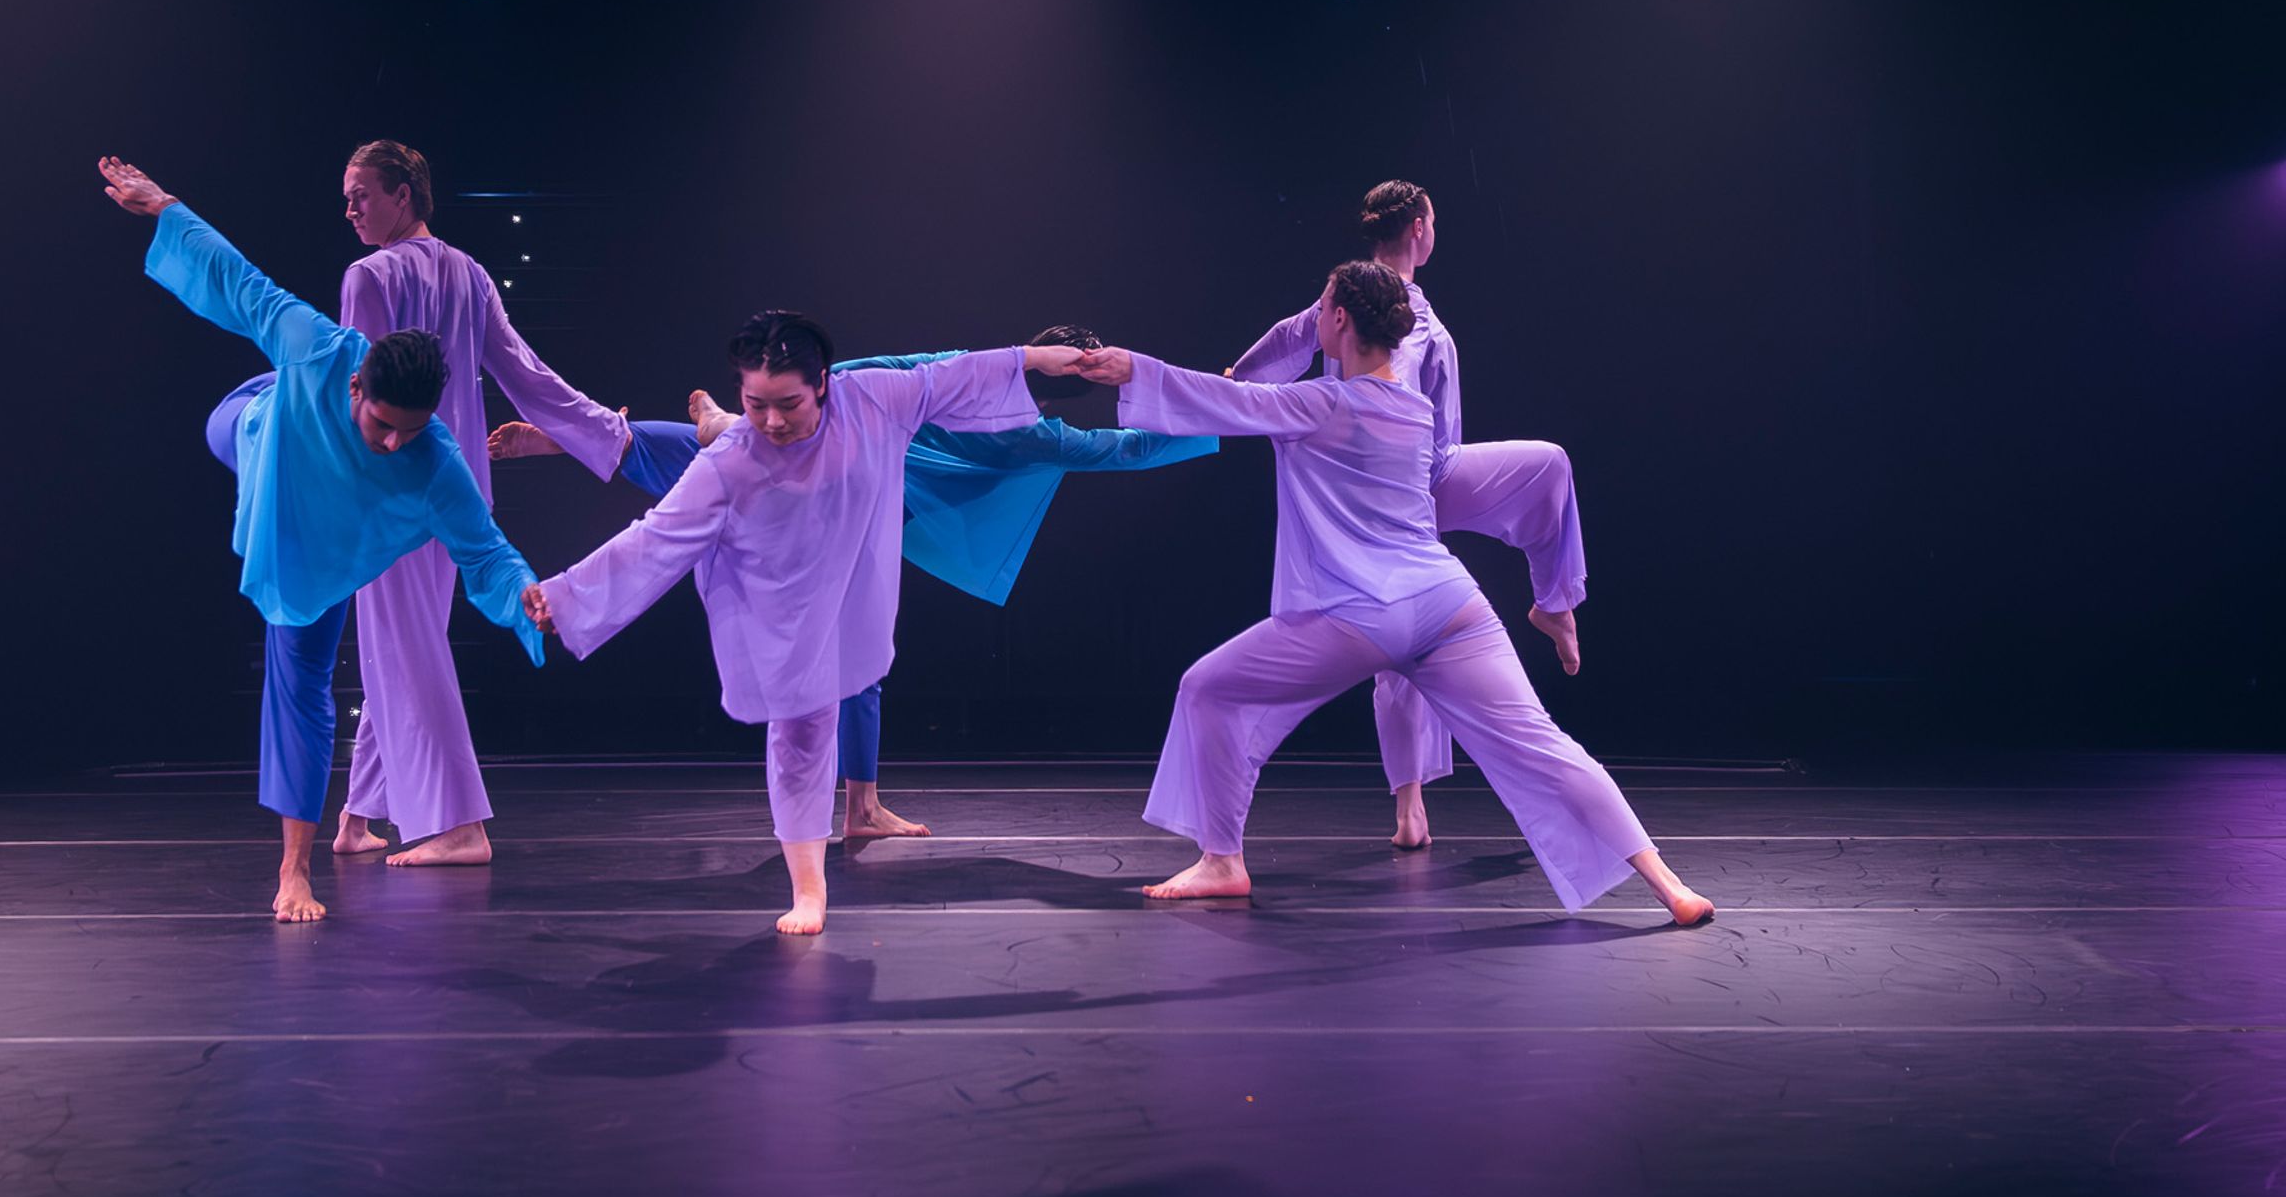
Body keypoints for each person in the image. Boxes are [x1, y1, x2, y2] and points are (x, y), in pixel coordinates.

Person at [1083, 263, 1712, 924]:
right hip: (1449, 607)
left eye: (1321, 308)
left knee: (1207, 688)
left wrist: (1128, 368)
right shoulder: (1416, 411)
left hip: (1359, 616)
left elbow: (1227, 400)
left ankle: (1222, 861)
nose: (1314, 318)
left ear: (1341, 322)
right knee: (1544, 745)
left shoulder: (1323, 402)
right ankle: (1670, 886)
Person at [507, 330, 1213, 840]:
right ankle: (862, 807)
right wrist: (1209, 401)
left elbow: (1111, 441)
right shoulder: (947, 399)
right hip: (846, 484)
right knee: (729, 478)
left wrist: (1214, 402)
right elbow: (1107, 437)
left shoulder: (999, 415)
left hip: (866, 498)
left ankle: (862, 806)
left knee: (838, 633)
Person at [522, 315, 1098, 934]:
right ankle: (808, 891)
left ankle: (851, 823)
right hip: (781, 602)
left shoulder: (873, 397)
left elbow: (949, 375)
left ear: (822, 383)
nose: (772, 422)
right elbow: (656, 539)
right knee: (798, 728)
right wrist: (569, 600)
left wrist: (1033, 361)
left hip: (851, 586)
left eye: (788, 404)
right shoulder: (730, 463)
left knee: (841, 694)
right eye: (755, 406)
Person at [98, 154, 545, 924]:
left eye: (411, 433)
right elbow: (237, 280)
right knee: (250, 418)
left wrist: (527, 597)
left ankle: (302, 866)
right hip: (266, 444)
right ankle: (296, 870)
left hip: (330, 544)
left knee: (306, 687)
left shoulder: (430, 455)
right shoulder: (319, 345)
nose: (396, 443)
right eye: (381, 423)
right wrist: (164, 204)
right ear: (357, 385)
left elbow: (485, 551)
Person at [1231, 180, 1589, 849]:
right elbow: (1295, 337)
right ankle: (1409, 805)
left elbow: (1291, 336)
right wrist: (1240, 382)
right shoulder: (1363, 300)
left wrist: (1241, 378)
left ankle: (1555, 601)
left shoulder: (1387, 303)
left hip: (1436, 470)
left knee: (1548, 465)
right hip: (1388, 489)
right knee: (1399, 643)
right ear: (1420, 230)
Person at [330, 138, 630, 868]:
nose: (350, 208)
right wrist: (603, 430)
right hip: (457, 485)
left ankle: (461, 823)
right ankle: (358, 815)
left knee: (404, 644)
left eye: (361, 193)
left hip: (396, 484)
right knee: (399, 643)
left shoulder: (368, 276)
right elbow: (527, 374)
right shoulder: (469, 274)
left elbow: (361, 393)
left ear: (405, 194)